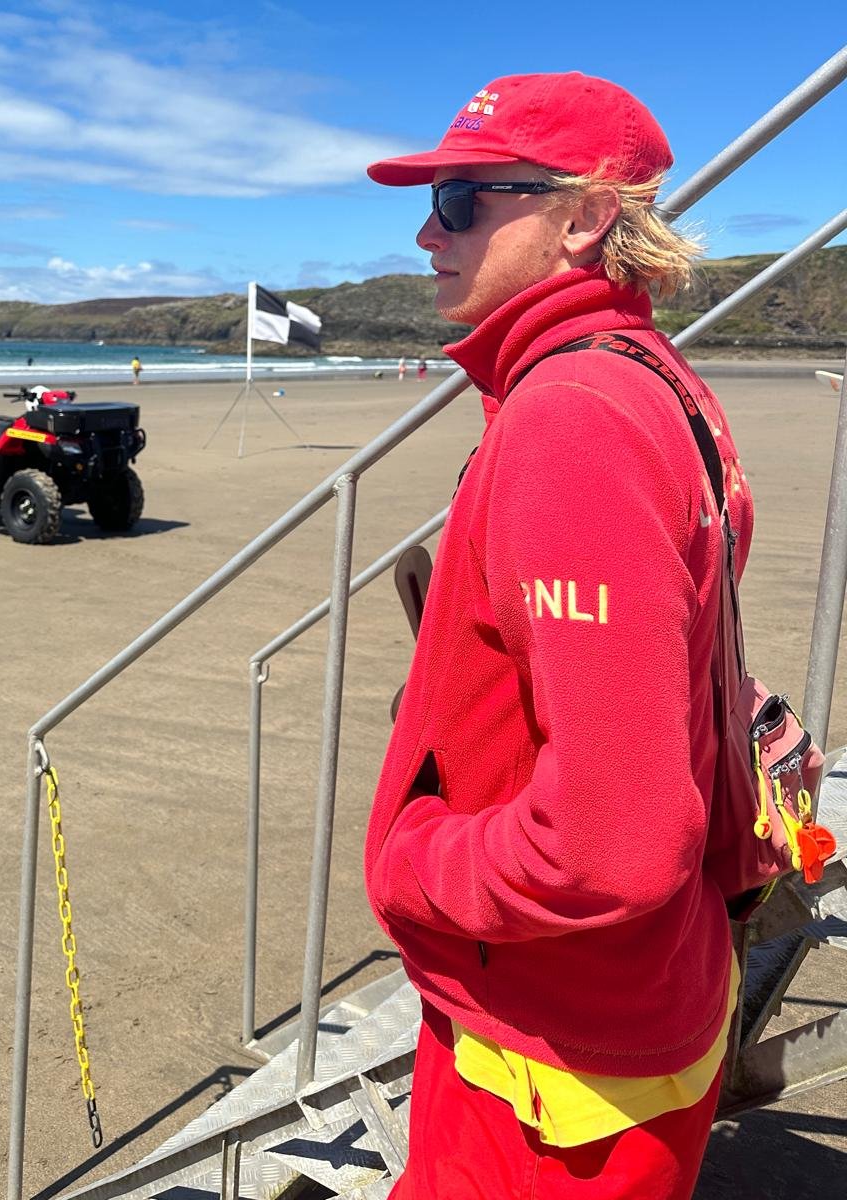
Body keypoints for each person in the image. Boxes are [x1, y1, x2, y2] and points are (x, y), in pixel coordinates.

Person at [363, 71, 753, 1200]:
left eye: (465, 199)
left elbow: (611, 842)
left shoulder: (570, 419)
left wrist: (414, 868)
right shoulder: (650, 378)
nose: (427, 230)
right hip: (619, 1009)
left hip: (558, 1059)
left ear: (583, 218)